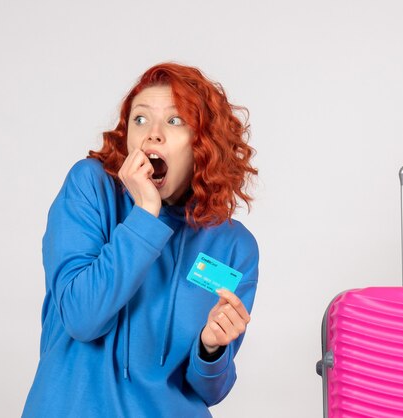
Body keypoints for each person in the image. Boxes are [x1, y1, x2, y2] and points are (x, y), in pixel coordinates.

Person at [22, 62, 259, 417]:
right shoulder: (91, 188)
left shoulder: (233, 246)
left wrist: (212, 349)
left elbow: (209, 390)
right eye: (141, 119)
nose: (153, 134)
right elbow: (82, 317)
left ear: (204, 143)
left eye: (175, 121)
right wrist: (146, 212)